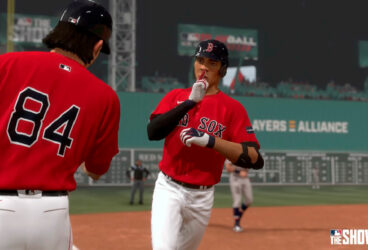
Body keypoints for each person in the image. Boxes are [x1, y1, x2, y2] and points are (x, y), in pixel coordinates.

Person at [0, 1, 120, 249]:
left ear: (59, 31)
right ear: (97, 47)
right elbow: (96, 170)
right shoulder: (106, 96)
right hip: (52, 211)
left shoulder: (7, 64)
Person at [147, 39, 264, 250]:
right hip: (169, 188)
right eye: (200, 60)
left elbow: (255, 158)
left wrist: (211, 141)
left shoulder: (233, 109)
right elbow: (153, 132)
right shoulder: (176, 96)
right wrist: (190, 102)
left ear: (222, 70)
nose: (203, 67)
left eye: (212, 63)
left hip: (202, 195)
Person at [225, 159, 253, 233]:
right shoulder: (231, 152)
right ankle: (236, 224)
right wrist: (239, 171)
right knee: (237, 201)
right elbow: (228, 168)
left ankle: (238, 216)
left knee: (249, 200)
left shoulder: (247, 153)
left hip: (245, 178)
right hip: (235, 178)